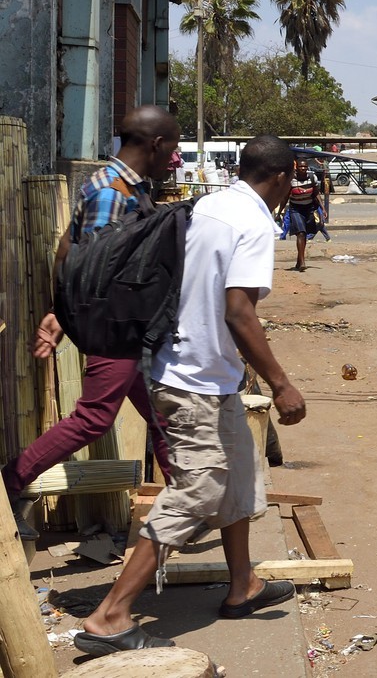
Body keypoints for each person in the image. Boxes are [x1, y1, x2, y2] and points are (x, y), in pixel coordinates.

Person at [74, 134, 308, 658]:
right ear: (282, 177)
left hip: (197, 368)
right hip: (191, 378)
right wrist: (281, 383)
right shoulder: (253, 223)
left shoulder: (208, 205)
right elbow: (239, 311)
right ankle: (110, 616)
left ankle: (243, 584)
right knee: (199, 490)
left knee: (240, 473)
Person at [4, 106, 180, 539]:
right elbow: (97, 267)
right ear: (156, 144)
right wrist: (69, 316)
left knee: (162, 416)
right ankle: (9, 484)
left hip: (131, 328)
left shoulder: (117, 184)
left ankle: (186, 502)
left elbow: (67, 247)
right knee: (94, 418)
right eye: (172, 148)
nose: (174, 158)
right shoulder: (113, 192)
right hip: (114, 327)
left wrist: (59, 310)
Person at [283, 158, 325, 271]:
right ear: (296, 168)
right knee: (301, 233)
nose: (303, 168)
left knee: (305, 234)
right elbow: (285, 197)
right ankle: (302, 262)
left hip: (309, 208)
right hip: (295, 209)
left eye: (305, 167)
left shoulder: (312, 177)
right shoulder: (291, 180)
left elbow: (316, 193)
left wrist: (323, 208)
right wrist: (279, 212)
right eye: (301, 166)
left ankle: (299, 260)